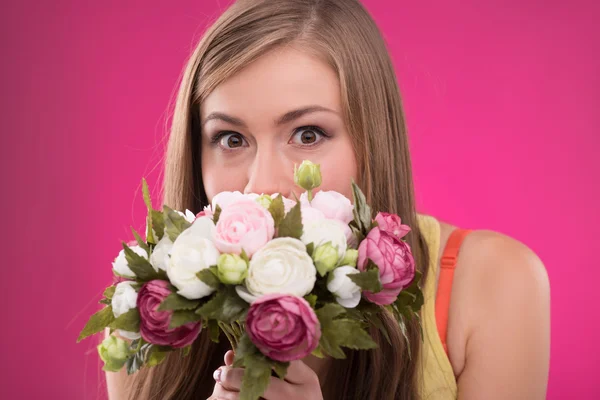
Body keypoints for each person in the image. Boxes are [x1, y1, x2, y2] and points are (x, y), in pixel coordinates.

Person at [105, 0, 550, 398]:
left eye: (307, 134)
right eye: (231, 138)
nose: (262, 186)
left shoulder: (493, 282)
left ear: (372, 140)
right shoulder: (146, 313)